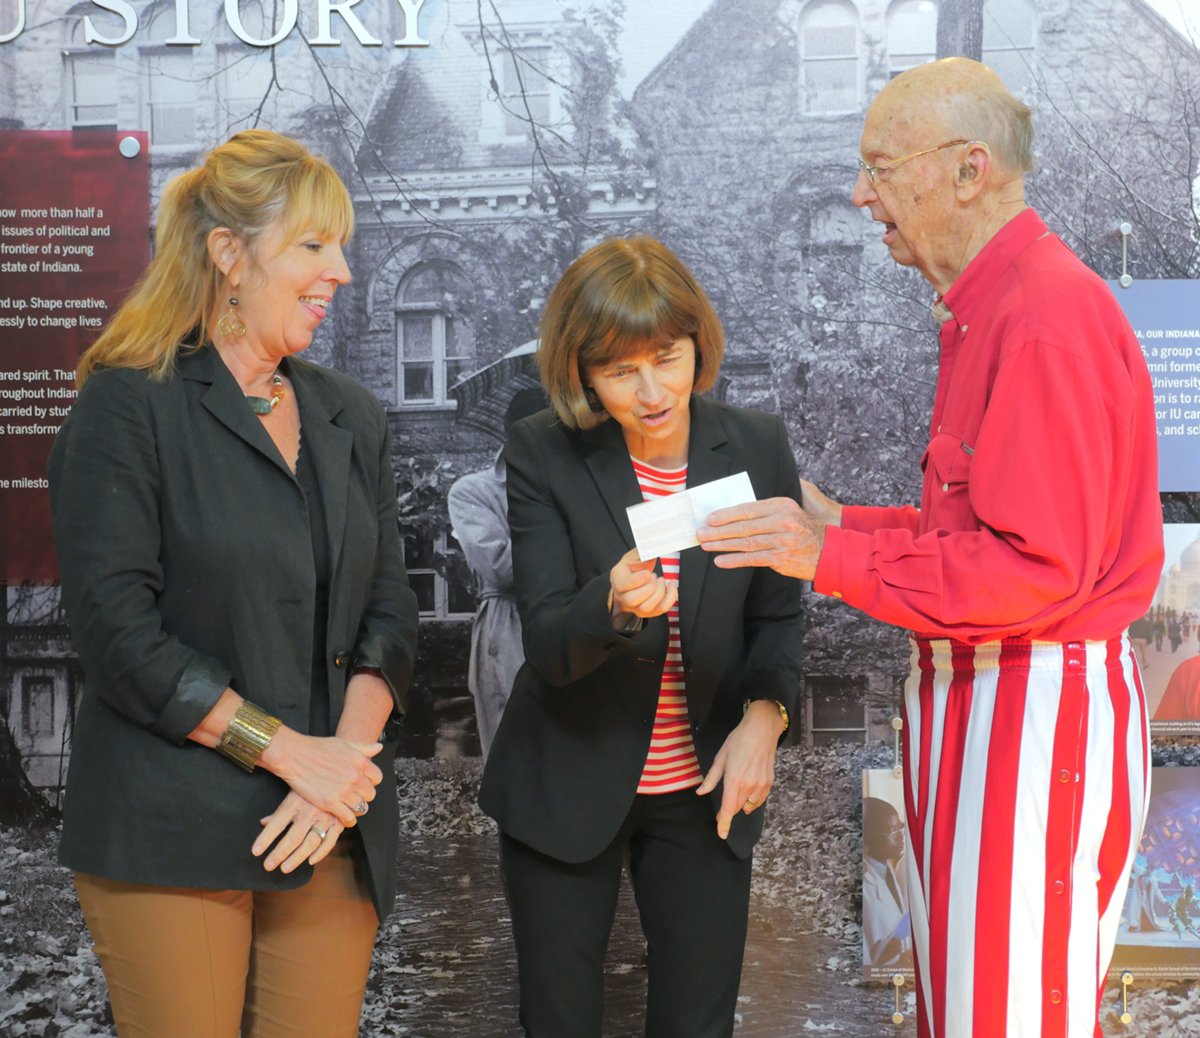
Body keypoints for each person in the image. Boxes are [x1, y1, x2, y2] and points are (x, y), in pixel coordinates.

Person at [698, 58, 1163, 1038]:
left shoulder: (1041, 320)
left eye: (879, 165)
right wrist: (840, 528)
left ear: (968, 171)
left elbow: (1034, 572)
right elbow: (983, 533)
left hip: (1028, 718)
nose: (861, 194)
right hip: (1002, 709)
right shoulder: (1000, 309)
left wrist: (827, 558)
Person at [47, 130, 419, 1038]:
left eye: (343, 246)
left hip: (327, 823)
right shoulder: (128, 402)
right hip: (172, 822)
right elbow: (118, 633)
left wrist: (342, 773)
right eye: (312, 245)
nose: (340, 271)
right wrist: (291, 754)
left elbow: (391, 610)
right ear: (228, 255)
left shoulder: (349, 414)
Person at [478, 236, 804, 1037]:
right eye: (621, 371)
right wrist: (612, 606)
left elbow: (777, 613)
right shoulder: (544, 452)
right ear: (582, 373)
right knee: (558, 1020)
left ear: (698, 343)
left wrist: (765, 721)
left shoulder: (756, 446)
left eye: (668, 357)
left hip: (704, 790)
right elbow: (551, 644)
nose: (653, 390)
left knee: (698, 1023)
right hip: (566, 778)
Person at [447, 387, 548, 758]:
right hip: (509, 629)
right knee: (516, 760)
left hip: (573, 622)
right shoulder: (474, 492)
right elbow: (500, 567)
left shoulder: (575, 487)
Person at [862, 797, 912, 969]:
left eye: (901, 828)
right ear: (866, 840)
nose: (901, 837)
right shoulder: (863, 886)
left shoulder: (886, 871)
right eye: (893, 832)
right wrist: (893, 964)